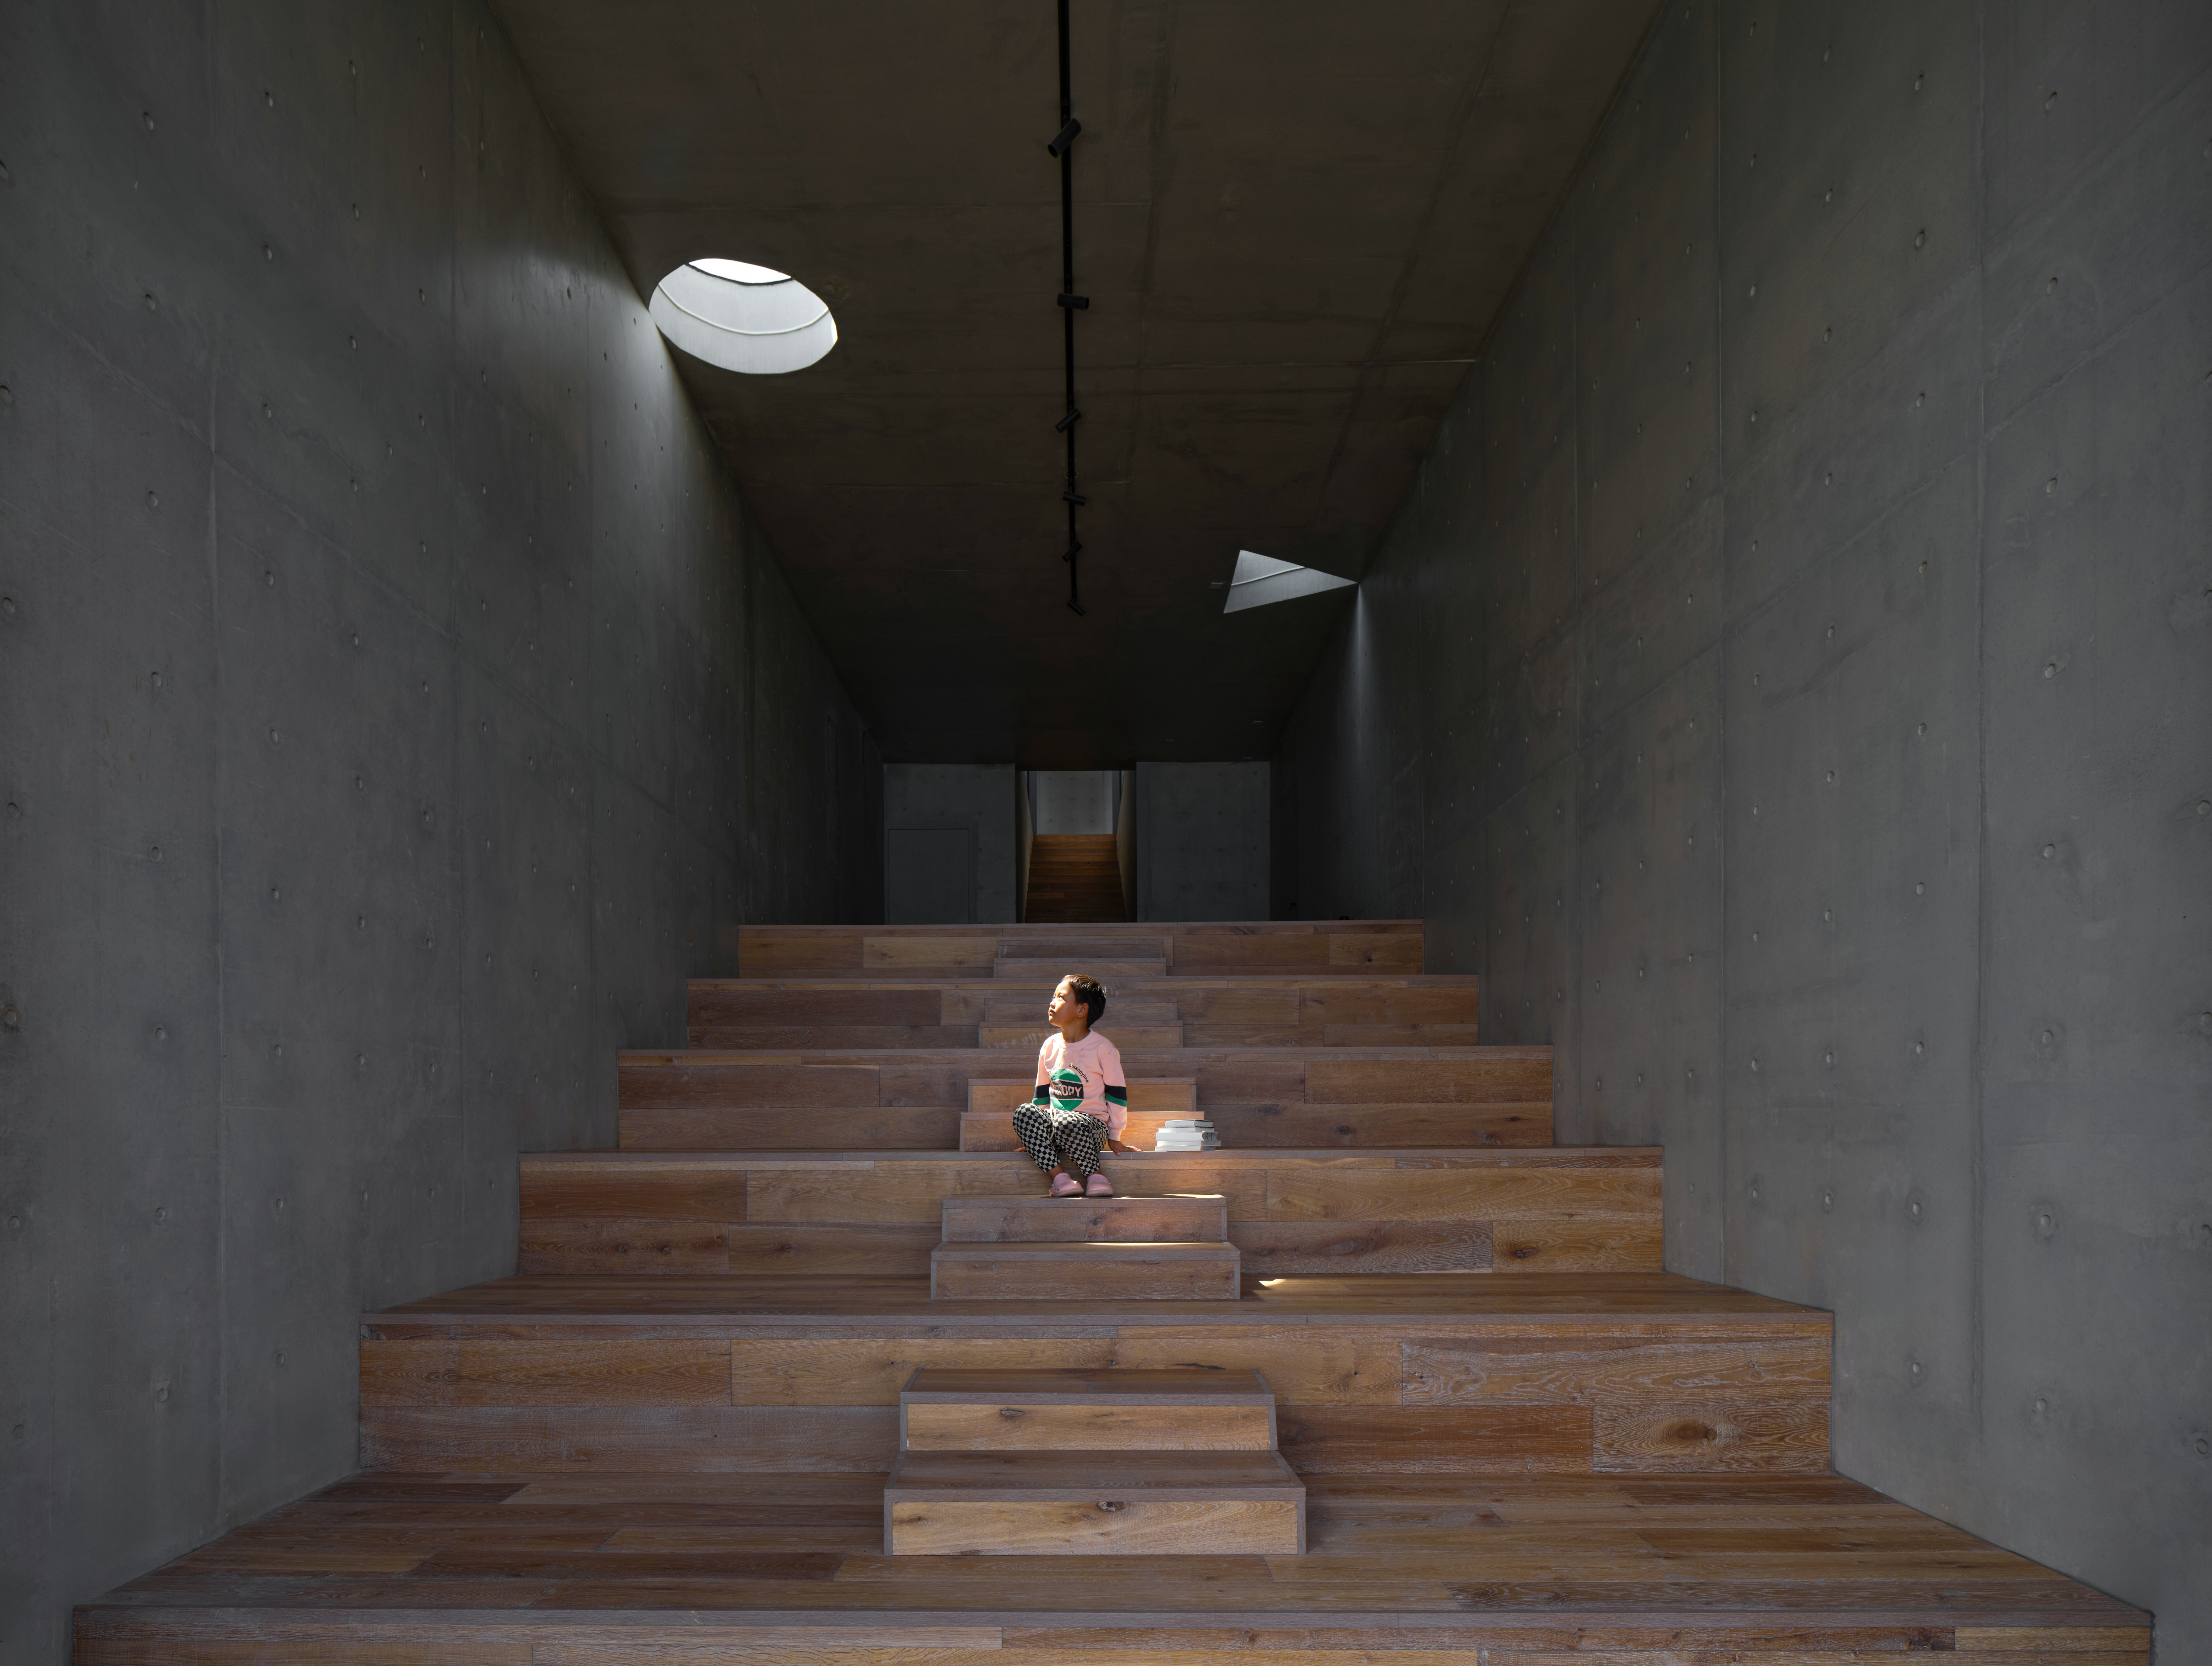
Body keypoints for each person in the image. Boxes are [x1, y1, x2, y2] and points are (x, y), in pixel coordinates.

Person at [1014, 974, 1127, 1197]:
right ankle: (1061, 1179)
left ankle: (1096, 1177)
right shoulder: (1049, 1046)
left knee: (1067, 1120)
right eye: (1053, 996)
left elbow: (1117, 1095)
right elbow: (1041, 1093)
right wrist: (1037, 1136)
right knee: (1024, 1112)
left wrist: (1115, 1136)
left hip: (1090, 1130)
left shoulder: (1103, 1048)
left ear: (1082, 1010)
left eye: (1061, 997)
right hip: (1055, 1128)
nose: (1052, 1002)